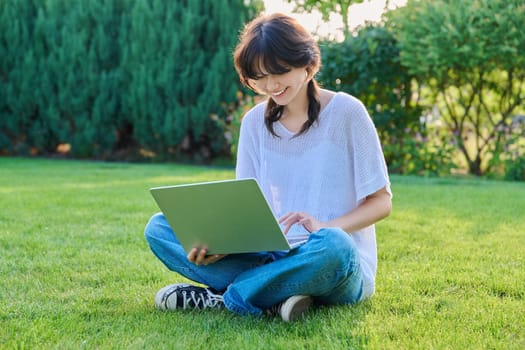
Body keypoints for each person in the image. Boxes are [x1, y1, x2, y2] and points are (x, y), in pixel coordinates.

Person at [144, 13, 392, 322]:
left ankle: (228, 297)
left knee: (335, 245)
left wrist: (327, 226)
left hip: (331, 260)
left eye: (280, 72)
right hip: (270, 256)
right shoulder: (253, 124)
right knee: (159, 227)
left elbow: (381, 202)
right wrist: (221, 246)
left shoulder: (348, 113)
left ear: (308, 63)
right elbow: (245, 208)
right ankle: (276, 294)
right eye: (258, 77)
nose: (271, 85)